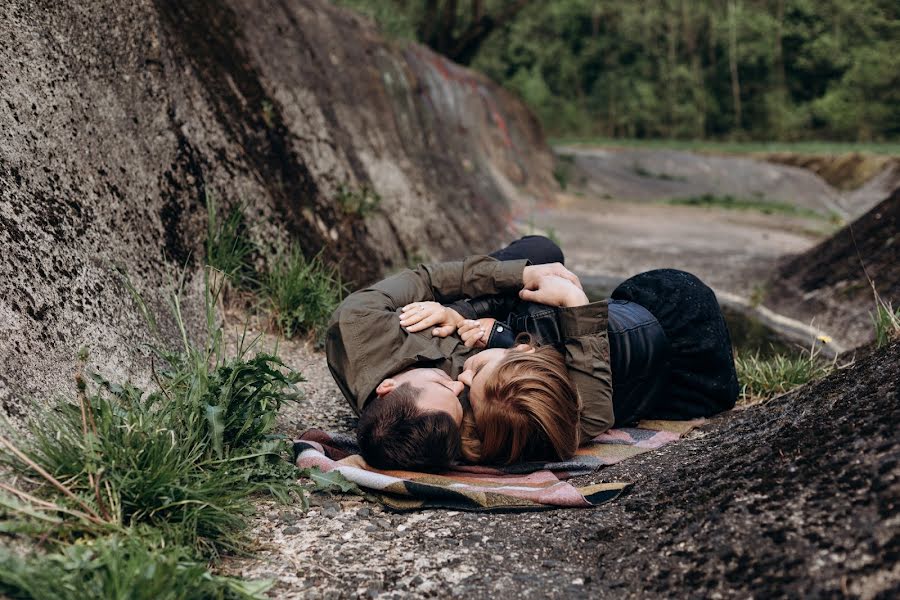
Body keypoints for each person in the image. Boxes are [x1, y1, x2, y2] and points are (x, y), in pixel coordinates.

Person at [325, 237, 590, 471]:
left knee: (542, 250)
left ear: (388, 387)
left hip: (461, 305)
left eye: (440, 383)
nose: (459, 383)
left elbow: (428, 280)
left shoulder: (357, 322)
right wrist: (577, 308)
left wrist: (521, 276)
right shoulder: (445, 426)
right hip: (512, 339)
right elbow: (582, 420)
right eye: (462, 405)